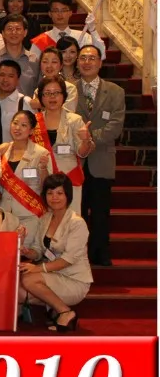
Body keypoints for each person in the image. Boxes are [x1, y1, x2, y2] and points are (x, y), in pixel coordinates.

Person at [20, 174, 93, 332]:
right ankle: (54, 307)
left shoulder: (77, 223)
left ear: (68, 195)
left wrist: (37, 268)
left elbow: (68, 260)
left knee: (29, 279)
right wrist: (27, 252)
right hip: (52, 276)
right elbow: (38, 250)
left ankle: (65, 312)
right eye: (50, 193)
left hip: (73, 279)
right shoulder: (45, 218)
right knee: (18, 292)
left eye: (59, 193)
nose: (54, 197)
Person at [75, 44, 124, 266]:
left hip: (102, 158)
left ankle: (100, 252)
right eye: (83, 58)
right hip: (75, 160)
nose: (87, 62)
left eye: (92, 58)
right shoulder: (69, 90)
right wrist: (82, 142)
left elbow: (115, 125)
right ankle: (78, 253)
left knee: (101, 211)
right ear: (77, 62)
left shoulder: (115, 91)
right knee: (78, 210)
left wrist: (90, 139)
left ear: (100, 62)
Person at [30, 75, 92, 212]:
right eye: (47, 93)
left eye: (56, 93)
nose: (52, 97)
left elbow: (82, 153)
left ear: (64, 96)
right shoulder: (33, 122)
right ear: (41, 97)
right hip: (42, 182)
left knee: (70, 222)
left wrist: (86, 140)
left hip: (68, 181)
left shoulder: (74, 120)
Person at [0, 110, 51, 247]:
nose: (17, 128)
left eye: (23, 125)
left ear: (31, 131)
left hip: (30, 215)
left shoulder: (41, 153)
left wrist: (43, 169)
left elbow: (47, 187)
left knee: (24, 253)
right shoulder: (1, 152)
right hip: (4, 216)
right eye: (15, 123)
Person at [30, 0, 106, 57]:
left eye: (64, 10)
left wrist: (93, 30)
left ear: (70, 13)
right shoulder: (41, 40)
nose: (60, 14)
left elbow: (101, 55)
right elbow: (32, 66)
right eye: (56, 11)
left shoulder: (84, 37)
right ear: (50, 14)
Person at [0, 60, 34, 144]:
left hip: (16, 151)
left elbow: (34, 133)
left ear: (18, 80)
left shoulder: (25, 102)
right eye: (2, 75)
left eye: (10, 76)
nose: (5, 79)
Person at [31, 47, 78, 112]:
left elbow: (67, 113)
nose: (49, 66)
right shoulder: (38, 90)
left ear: (61, 65)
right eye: (45, 62)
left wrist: (41, 104)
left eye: (54, 62)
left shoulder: (69, 89)